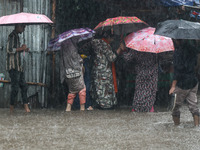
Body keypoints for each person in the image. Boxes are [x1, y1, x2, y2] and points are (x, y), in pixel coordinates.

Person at [82, 33, 125, 109]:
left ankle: (98, 104)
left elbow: (84, 49)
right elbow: (112, 58)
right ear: (108, 37)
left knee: (98, 88)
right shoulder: (105, 44)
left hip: (96, 70)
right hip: (104, 71)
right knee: (105, 89)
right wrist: (119, 49)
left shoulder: (94, 42)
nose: (113, 40)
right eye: (112, 38)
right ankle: (106, 106)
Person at [169, 40, 200, 127]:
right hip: (193, 82)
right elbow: (196, 65)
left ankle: (176, 127)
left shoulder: (178, 52)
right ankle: (197, 126)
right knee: (193, 106)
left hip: (182, 83)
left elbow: (177, 71)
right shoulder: (193, 49)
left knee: (175, 107)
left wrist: (173, 85)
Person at [6, 24, 30, 113]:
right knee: (15, 88)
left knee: (24, 86)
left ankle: (26, 108)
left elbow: (17, 50)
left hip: (19, 67)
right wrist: (21, 48)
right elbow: (9, 49)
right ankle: (11, 109)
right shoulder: (12, 36)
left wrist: (24, 49)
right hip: (13, 67)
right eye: (23, 27)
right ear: (18, 27)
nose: (24, 29)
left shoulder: (17, 37)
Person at [60, 38, 86, 111]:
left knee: (72, 91)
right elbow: (77, 60)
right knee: (82, 89)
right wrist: (81, 58)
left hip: (68, 74)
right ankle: (82, 109)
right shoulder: (73, 49)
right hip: (76, 73)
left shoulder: (63, 49)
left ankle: (68, 109)